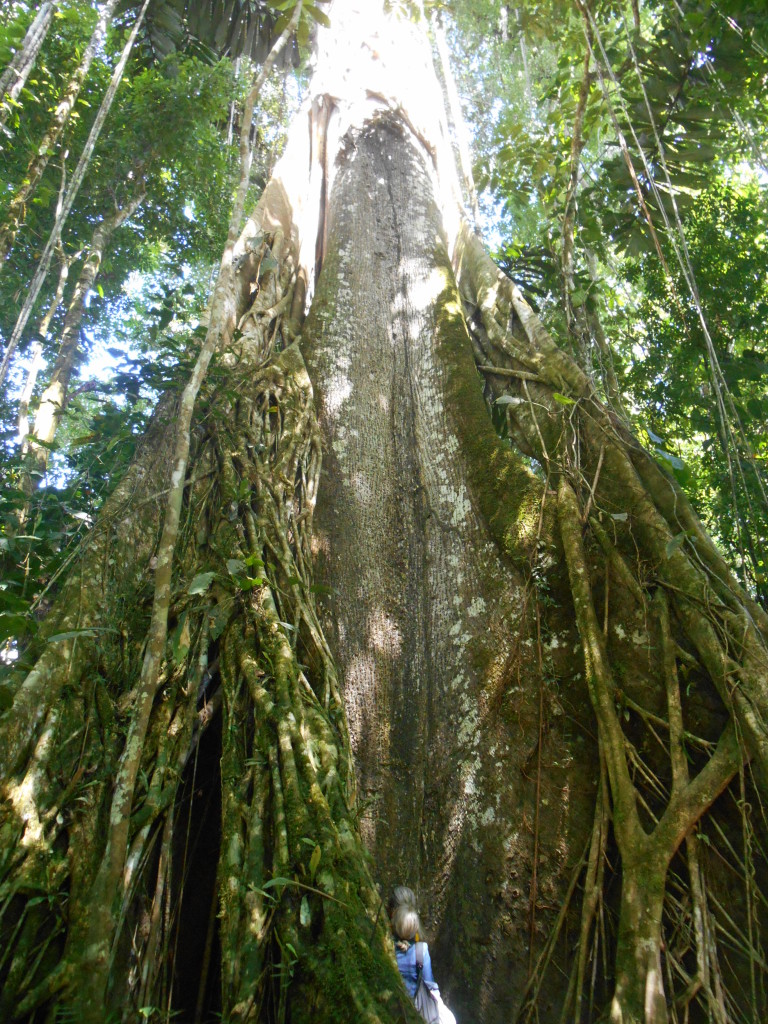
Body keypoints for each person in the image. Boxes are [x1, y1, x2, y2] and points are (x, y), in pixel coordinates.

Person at [390, 894, 456, 1024]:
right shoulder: (421, 949)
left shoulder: (387, 946)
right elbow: (429, 982)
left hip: (394, 1003)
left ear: (394, 926)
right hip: (416, 1006)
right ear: (415, 928)